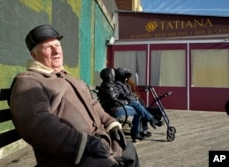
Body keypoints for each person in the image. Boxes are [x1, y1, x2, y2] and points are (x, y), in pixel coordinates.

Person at [9, 24, 139, 167]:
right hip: (67, 155)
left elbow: (94, 104)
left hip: (99, 141)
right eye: (47, 47)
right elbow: (37, 124)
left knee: (129, 150)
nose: (56, 51)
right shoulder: (28, 80)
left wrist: (111, 123)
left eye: (57, 45)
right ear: (34, 55)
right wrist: (83, 143)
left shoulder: (70, 79)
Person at [115, 67, 163, 140]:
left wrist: (134, 96)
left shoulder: (123, 84)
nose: (127, 79)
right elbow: (123, 95)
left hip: (127, 101)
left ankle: (141, 129)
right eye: (126, 77)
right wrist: (134, 97)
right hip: (122, 103)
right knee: (138, 106)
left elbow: (128, 94)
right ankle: (151, 120)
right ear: (121, 77)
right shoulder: (118, 84)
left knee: (140, 105)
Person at [97, 67, 144, 142]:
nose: (114, 76)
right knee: (137, 110)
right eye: (113, 74)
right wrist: (126, 102)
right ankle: (136, 133)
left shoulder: (107, 85)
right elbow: (115, 101)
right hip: (114, 109)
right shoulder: (109, 86)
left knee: (138, 106)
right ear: (110, 75)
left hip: (111, 107)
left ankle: (139, 130)